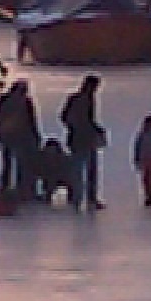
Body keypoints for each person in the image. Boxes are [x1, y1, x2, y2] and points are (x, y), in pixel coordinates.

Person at [62, 73, 106, 210]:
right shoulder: (85, 100)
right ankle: (86, 198)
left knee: (78, 170)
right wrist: (95, 130)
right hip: (85, 139)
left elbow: (64, 117)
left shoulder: (75, 98)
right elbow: (87, 120)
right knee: (87, 170)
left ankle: (78, 198)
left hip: (76, 138)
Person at [0, 80, 41, 201]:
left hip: (7, 137)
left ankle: (5, 188)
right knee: (22, 165)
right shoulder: (25, 102)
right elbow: (31, 121)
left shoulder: (4, 100)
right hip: (20, 138)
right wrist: (36, 136)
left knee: (8, 164)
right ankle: (23, 190)